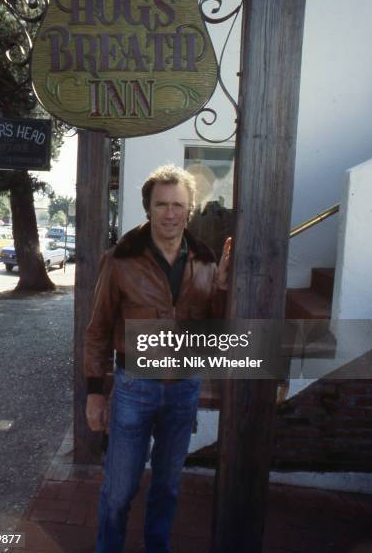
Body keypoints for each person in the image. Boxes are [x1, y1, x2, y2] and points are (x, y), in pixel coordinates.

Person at [84, 164, 231, 553]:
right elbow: (98, 329)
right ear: (148, 207)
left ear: (191, 208)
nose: (170, 213)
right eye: (161, 204)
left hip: (183, 389)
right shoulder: (120, 260)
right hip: (134, 388)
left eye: (178, 205)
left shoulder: (205, 259)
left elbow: (213, 329)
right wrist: (95, 392)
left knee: (167, 487)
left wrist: (221, 288)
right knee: (119, 490)